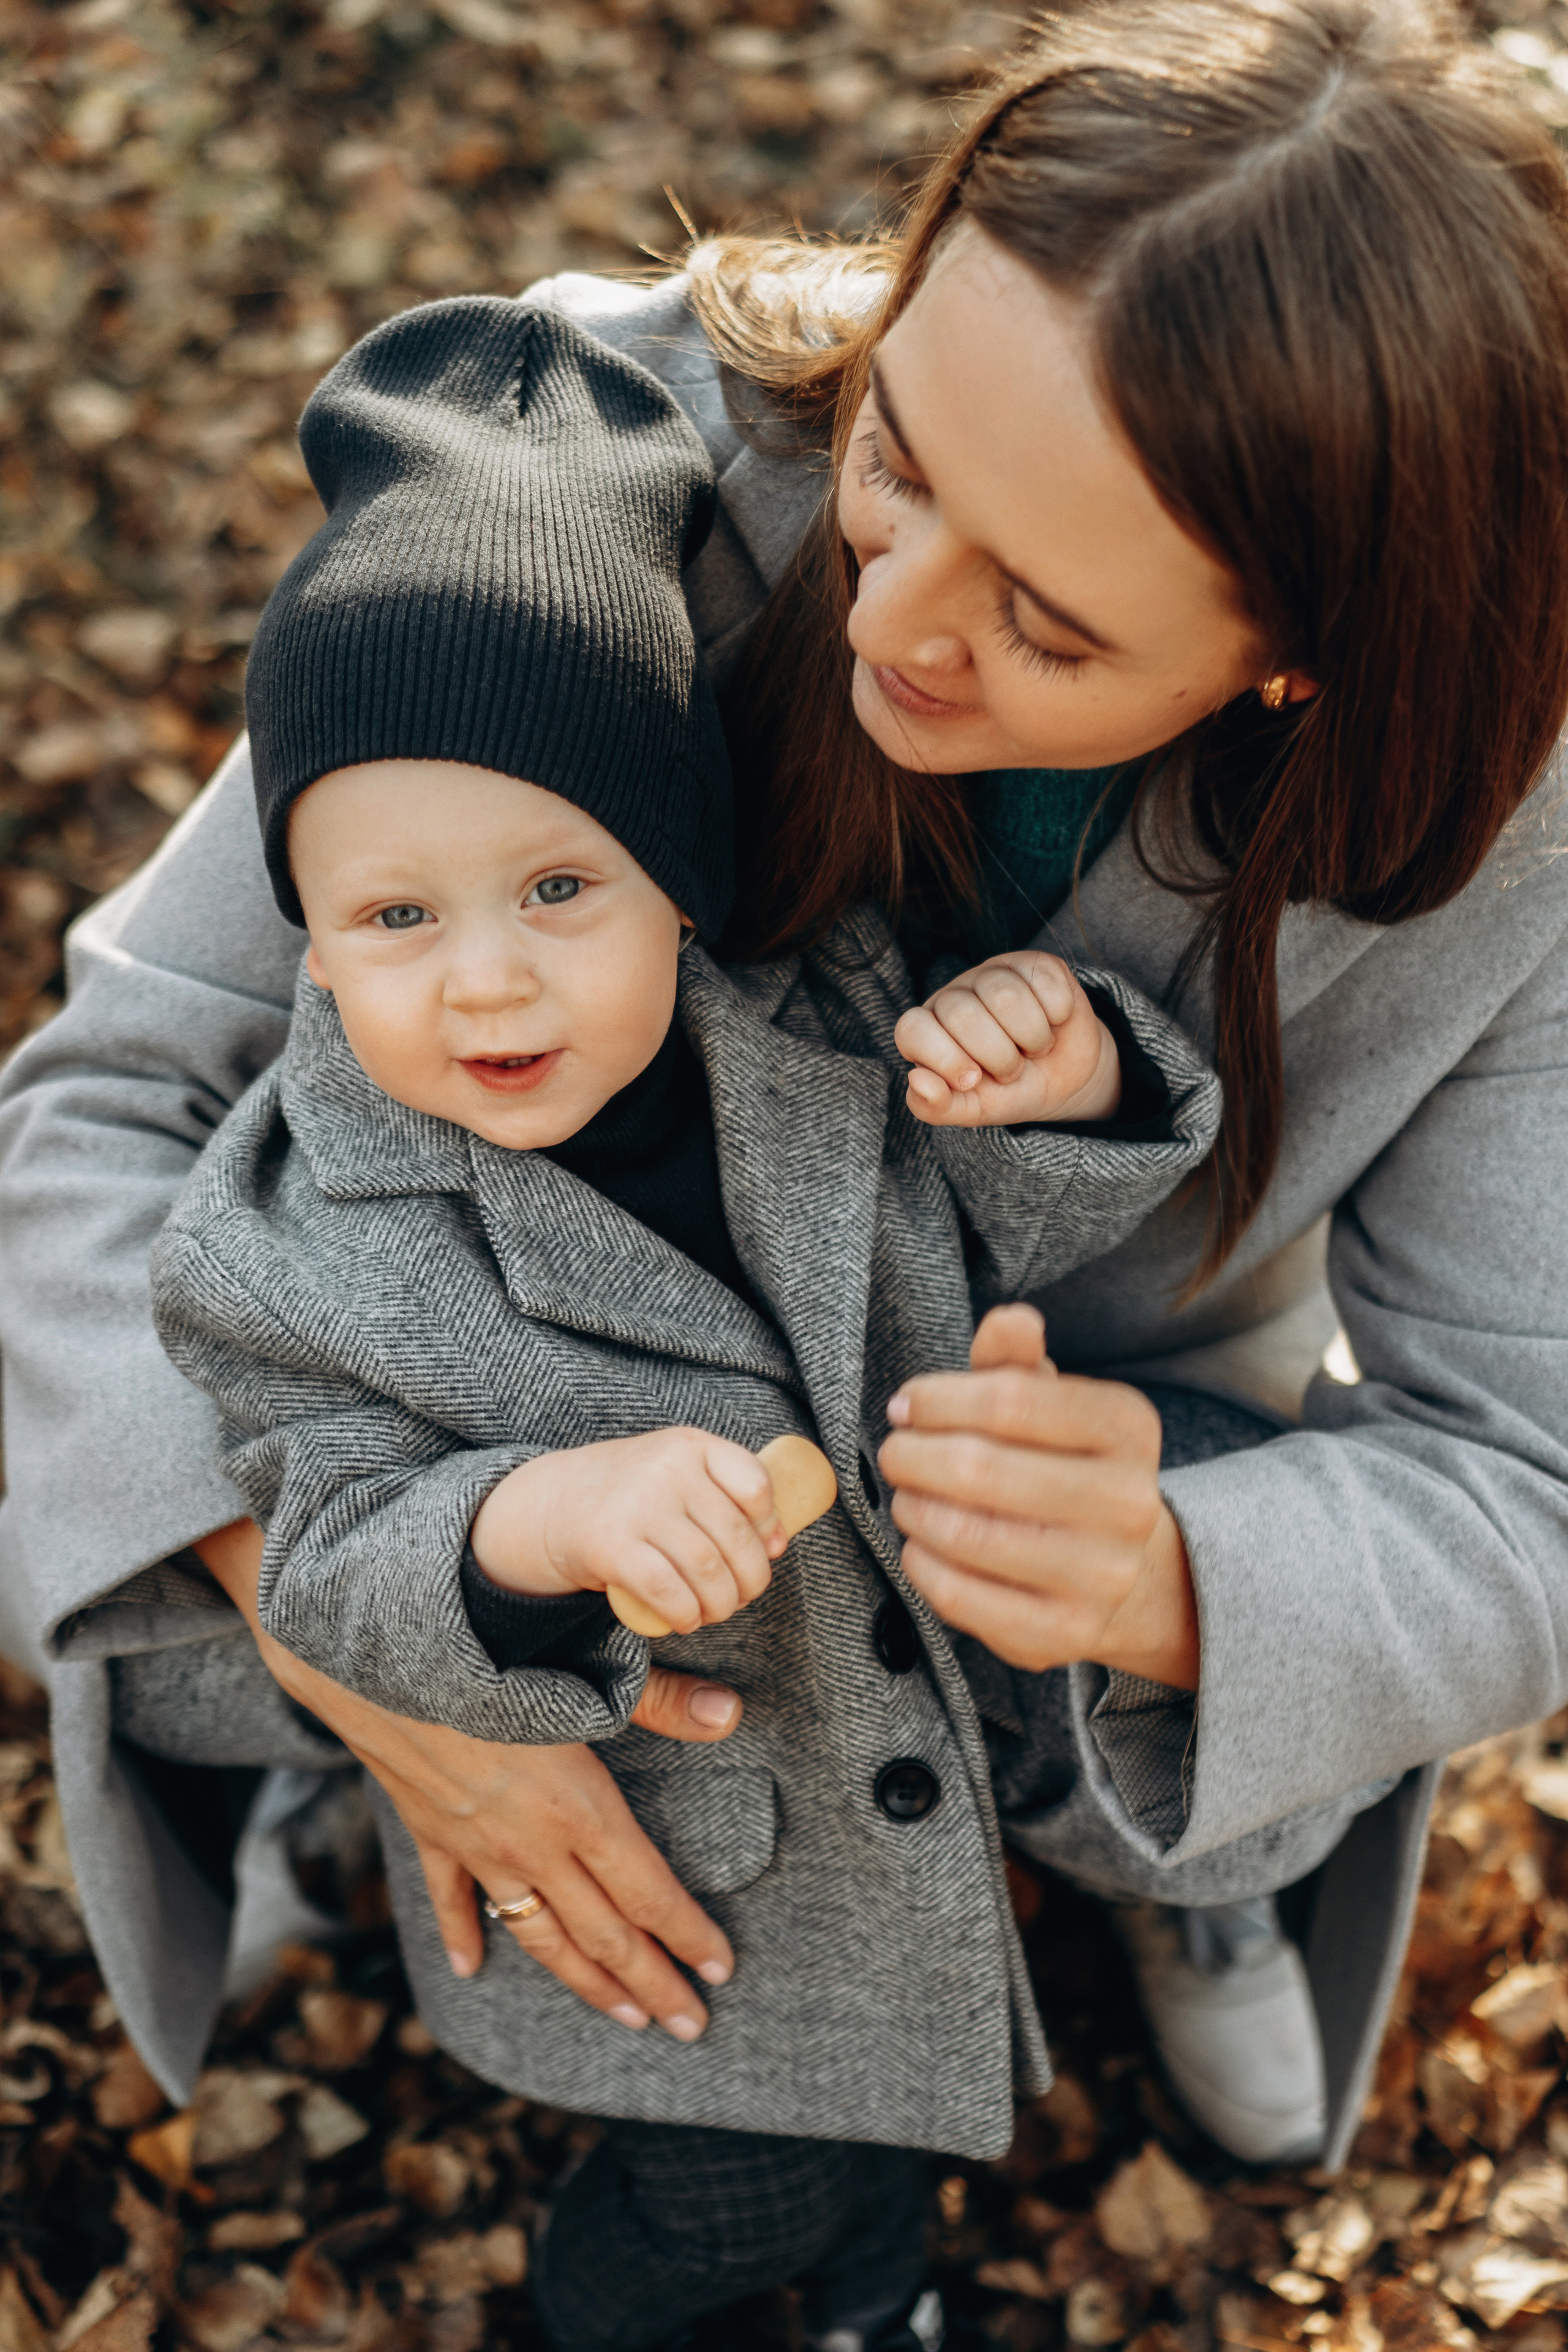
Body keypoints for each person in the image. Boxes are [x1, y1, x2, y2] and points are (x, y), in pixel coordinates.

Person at [2, 0, 1567, 2247]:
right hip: (518, 1390)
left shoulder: (1518, 822)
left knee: (1271, 1654)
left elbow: (1528, 1474)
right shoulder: (569, 459)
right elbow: (102, 1108)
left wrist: (1174, 1588)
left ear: (1299, 658)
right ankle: (308, 1790)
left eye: (1042, 616)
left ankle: (1182, 1840)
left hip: (1073, 1445)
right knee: (166, 1526)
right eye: (899, 455)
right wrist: (352, 1624)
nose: (894, 621)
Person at [146, 294, 1219, 2350]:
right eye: (393, 917)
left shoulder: (808, 1036)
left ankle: (878, 2310)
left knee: (906, 2134)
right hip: (669, 1872)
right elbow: (333, 1558)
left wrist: (1070, 1075)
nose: (488, 985)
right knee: (726, 2198)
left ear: (681, 888)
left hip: (902, 1779)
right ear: (308, 930)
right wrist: (537, 1528)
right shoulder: (295, 1226)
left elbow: (984, 1220)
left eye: (562, 889)